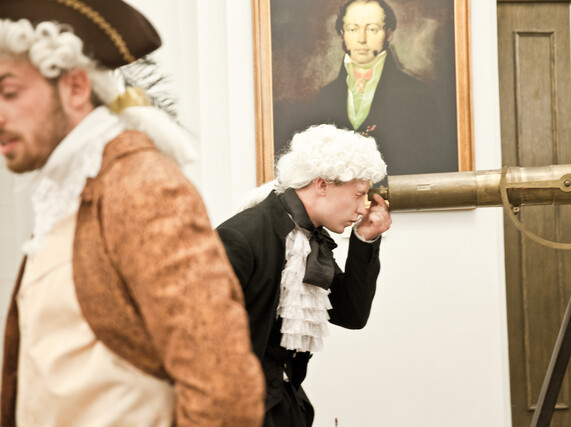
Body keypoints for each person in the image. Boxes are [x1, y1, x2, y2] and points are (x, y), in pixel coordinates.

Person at [0, 1, 264, 426]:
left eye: (9, 92)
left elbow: (224, 394)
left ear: (75, 87)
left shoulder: (142, 187)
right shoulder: (67, 193)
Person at [216, 124, 391, 427]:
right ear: (322, 185)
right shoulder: (241, 236)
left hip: (285, 403)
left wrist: (365, 240)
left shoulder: (311, 239)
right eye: (359, 194)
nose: (363, 208)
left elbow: (351, 314)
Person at [308, 0, 456, 176]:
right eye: (353, 29)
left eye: (372, 29)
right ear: (342, 34)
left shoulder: (417, 94)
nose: (361, 39)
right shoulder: (326, 96)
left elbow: (431, 163)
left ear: (388, 34)